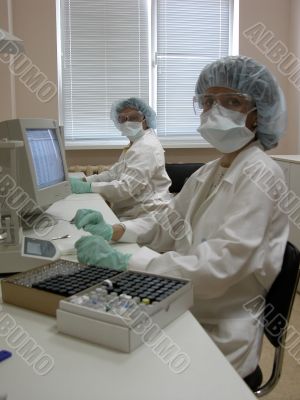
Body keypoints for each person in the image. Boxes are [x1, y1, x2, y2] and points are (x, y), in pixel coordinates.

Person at [74, 56, 289, 380]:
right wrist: (116, 230)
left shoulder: (262, 174)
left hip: (218, 335)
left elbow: (220, 265)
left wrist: (128, 264)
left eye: (231, 101)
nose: (214, 111)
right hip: (184, 305)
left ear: (259, 115)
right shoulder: (210, 171)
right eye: (207, 101)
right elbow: (166, 222)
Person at [70, 97, 172, 220]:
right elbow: (114, 173)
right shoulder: (136, 144)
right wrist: (85, 181)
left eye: (133, 117)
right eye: (122, 118)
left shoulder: (146, 147)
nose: (127, 122)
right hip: (134, 213)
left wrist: (90, 187)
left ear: (145, 118)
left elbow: (125, 188)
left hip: (147, 216)